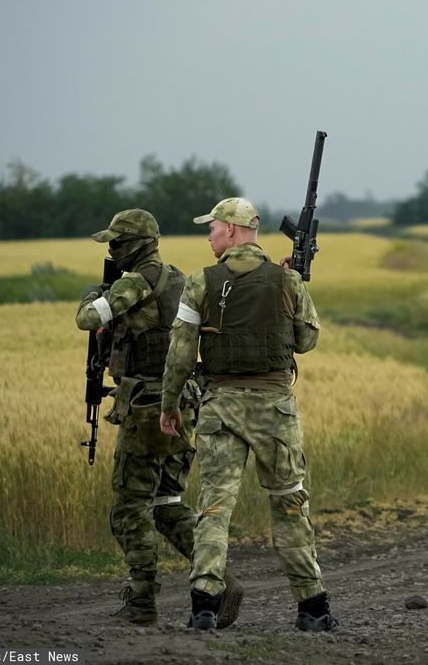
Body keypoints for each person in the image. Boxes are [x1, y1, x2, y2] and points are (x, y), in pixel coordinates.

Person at [159, 196, 336, 632]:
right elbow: (306, 341)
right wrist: (294, 282)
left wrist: (169, 406)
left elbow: (180, 354)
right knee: (290, 503)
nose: (209, 235)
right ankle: (312, 609)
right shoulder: (285, 280)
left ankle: (203, 605)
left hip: (220, 408)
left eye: (214, 228)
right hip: (275, 412)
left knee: (214, 507)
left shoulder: (201, 281)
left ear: (234, 230)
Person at [76, 208, 243, 626]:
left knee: (130, 508)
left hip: (147, 409)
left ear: (134, 245)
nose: (112, 250)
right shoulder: (179, 278)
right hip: (183, 404)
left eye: (116, 242)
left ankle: (142, 602)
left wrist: (93, 292)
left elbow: (88, 318)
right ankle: (219, 582)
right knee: (168, 503)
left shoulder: (135, 281)